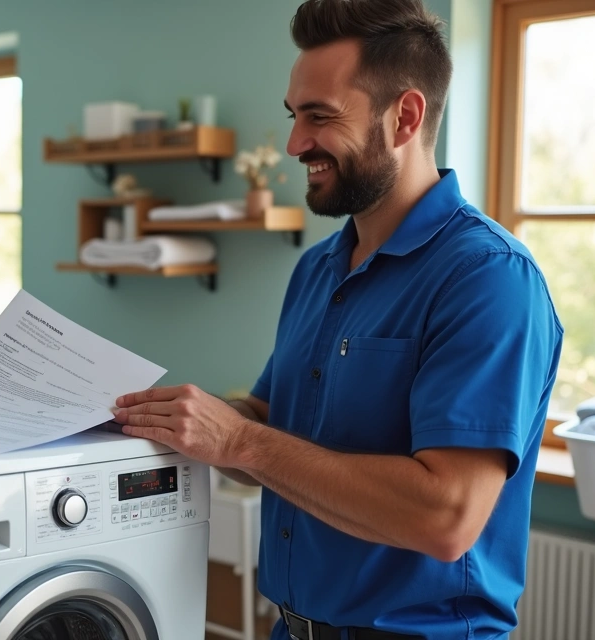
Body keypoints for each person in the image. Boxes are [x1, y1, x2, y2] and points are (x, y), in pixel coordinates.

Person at [113, 1, 563, 638]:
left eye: (320, 117)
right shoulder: (319, 267)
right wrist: (178, 421)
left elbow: (446, 516)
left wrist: (239, 440)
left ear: (404, 117)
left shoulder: (487, 277)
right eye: (294, 116)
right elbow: (270, 424)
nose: (295, 144)